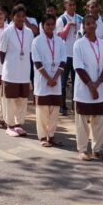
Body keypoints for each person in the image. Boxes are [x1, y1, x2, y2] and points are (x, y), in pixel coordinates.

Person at [73, 15, 103, 160]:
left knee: (100, 120)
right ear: (83, 27)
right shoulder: (79, 44)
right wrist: (91, 85)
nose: (91, 25)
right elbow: (78, 67)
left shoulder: (102, 43)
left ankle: (97, 149)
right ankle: (82, 150)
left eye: (93, 23)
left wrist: (98, 83)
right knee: (82, 121)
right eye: (87, 24)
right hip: (84, 89)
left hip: (100, 87)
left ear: (96, 25)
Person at [0, 5, 34, 137]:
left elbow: (30, 52)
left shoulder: (29, 32)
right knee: (10, 100)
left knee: (22, 100)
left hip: (24, 72)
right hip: (10, 72)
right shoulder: (7, 31)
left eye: (22, 16)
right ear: (12, 16)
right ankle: (10, 125)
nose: (20, 18)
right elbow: (1, 53)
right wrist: (9, 65)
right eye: (17, 16)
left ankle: (18, 124)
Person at [32, 14, 66, 146]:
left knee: (54, 110)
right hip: (43, 80)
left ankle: (51, 136)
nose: (50, 27)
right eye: (48, 24)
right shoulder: (37, 41)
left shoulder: (60, 41)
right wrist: (48, 78)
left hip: (55, 80)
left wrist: (55, 77)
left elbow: (63, 61)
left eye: (52, 24)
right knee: (42, 110)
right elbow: (37, 62)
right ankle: (42, 137)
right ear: (42, 25)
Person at [55, 0, 82, 115]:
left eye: (74, 4)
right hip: (65, 55)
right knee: (63, 81)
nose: (72, 7)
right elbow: (60, 36)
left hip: (77, 55)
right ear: (65, 6)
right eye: (69, 5)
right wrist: (69, 25)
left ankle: (75, 106)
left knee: (77, 82)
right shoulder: (62, 19)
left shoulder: (80, 18)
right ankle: (62, 107)